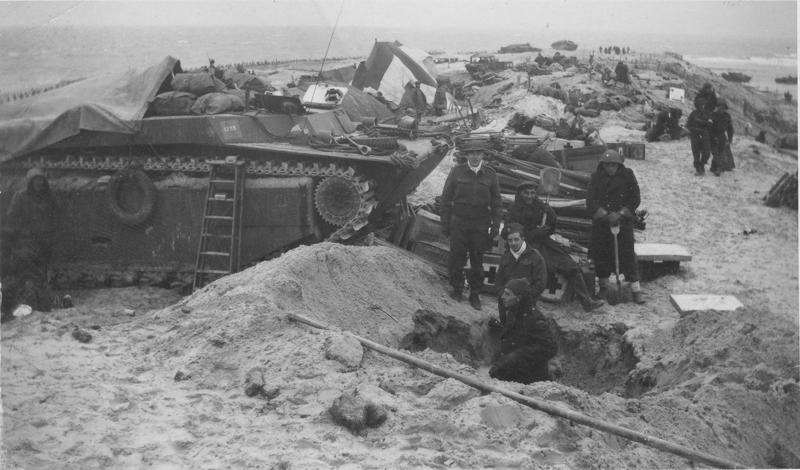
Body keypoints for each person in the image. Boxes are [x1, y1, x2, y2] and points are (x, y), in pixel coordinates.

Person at [506, 184, 605, 312]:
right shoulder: (513, 210)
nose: (530, 196)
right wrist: (535, 233)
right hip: (525, 247)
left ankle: (587, 302)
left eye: (532, 193)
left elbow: (550, 229)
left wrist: (551, 218)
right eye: (526, 193)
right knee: (542, 268)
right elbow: (512, 235)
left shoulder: (540, 206)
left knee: (572, 266)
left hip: (544, 243)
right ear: (520, 194)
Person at [440, 140, 502, 310]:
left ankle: (475, 293)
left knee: (477, 259)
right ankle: (458, 289)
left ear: (483, 155)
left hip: (480, 224)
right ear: (466, 155)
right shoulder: (457, 172)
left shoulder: (490, 174)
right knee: (457, 257)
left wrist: (495, 226)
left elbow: (497, 202)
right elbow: (446, 199)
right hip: (459, 221)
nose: (475, 156)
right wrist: (445, 223)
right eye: (471, 153)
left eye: (478, 153)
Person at [587, 150, 646, 304]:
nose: (610, 168)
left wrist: (620, 214)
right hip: (602, 222)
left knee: (627, 253)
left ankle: (635, 289)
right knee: (601, 254)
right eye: (607, 165)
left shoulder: (627, 175)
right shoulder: (596, 177)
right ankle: (604, 287)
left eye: (613, 165)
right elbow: (591, 201)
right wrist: (606, 214)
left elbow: (635, 198)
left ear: (619, 165)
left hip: (623, 221)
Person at [1, 168, 58, 321]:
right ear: (30, 182)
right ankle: (20, 306)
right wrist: (11, 237)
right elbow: (12, 218)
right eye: (35, 181)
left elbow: (54, 218)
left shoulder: (49, 197)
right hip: (25, 241)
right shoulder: (20, 197)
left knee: (41, 275)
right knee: (24, 275)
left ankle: (43, 305)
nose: (38, 184)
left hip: (43, 241)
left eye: (41, 181)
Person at [489, 278, 557, 384]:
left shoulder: (535, 319)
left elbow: (550, 348)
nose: (503, 297)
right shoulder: (513, 312)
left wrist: (516, 356)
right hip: (511, 372)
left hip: (530, 379)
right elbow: (516, 336)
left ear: (519, 298)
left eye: (507, 294)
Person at [494, 223, 547, 323]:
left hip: (525, 306)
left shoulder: (535, 257)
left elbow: (540, 284)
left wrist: (522, 299)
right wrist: (503, 296)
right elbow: (498, 281)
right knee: (506, 330)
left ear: (523, 238)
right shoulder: (506, 257)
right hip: (506, 304)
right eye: (510, 240)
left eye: (516, 239)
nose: (513, 243)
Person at [687, 98, 713, 175]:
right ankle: (698, 168)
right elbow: (688, 124)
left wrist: (703, 122)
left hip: (704, 133)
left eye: (703, 104)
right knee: (696, 152)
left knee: (707, 152)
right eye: (700, 104)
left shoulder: (708, 114)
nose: (702, 106)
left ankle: (702, 164)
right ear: (697, 105)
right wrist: (692, 130)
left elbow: (711, 124)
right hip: (695, 134)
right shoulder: (693, 114)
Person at [710, 99, 735, 176]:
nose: (721, 108)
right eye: (720, 107)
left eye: (723, 107)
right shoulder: (713, 115)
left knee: (720, 152)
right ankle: (716, 167)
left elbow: (730, 128)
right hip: (713, 135)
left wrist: (730, 138)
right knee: (715, 152)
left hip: (722, 136)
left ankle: (716, 168)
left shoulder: (727, 116)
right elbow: (709, 127)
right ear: (717, 107)